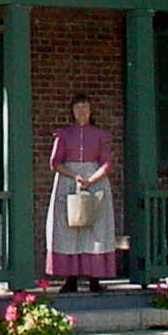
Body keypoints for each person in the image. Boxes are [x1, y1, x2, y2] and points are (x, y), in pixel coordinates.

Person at [46, 93, 117, 292]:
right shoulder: (64, 134)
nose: (81, 112)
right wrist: (75, 176)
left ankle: (95, 278)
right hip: (69, 181)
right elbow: (55, 163)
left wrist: (91, 180)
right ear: (72, 111)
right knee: (69, 228)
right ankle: (71, 278)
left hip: (95, 182)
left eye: (85, 107)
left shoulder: (101, 135)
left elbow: (107, 163)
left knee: (95, 228)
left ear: (90, 110)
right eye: (77, 108)